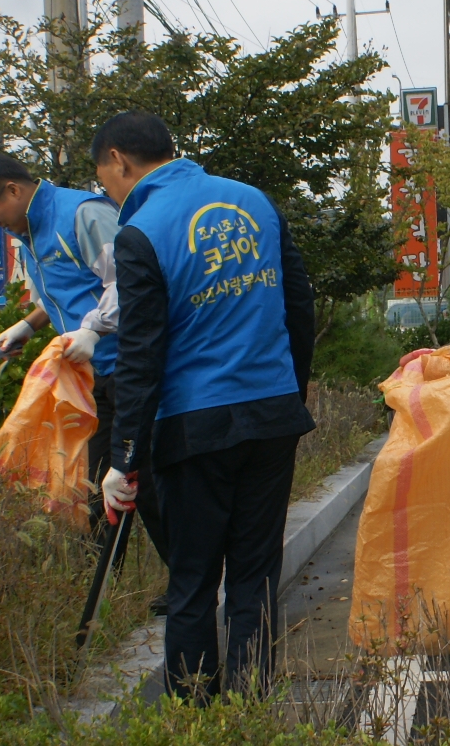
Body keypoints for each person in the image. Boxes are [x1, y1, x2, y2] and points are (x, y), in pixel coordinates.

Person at [98, 110, 316, 700]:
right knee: (255, 576)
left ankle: (196, 722)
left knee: (193, 582)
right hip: (270, 416)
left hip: (193, 428)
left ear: (119, 161)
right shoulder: (254, 203)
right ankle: (251, 707)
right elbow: (300, 305)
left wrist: (124, 456)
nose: (110, 191)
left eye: (105, 179)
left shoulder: (140, 231)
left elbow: (141, 352)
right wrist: (287, 393)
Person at [0, 152, 168, 559]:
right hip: (91, 377)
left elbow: (130, 280)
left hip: (132, 367)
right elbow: (63, 293)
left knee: (141, 481)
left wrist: (92, 329)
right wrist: (29, 326)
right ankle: (101, 597)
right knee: (98, 486)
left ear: (13, 190)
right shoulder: (29, 236)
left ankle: (188, 584)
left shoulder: (81, 214)